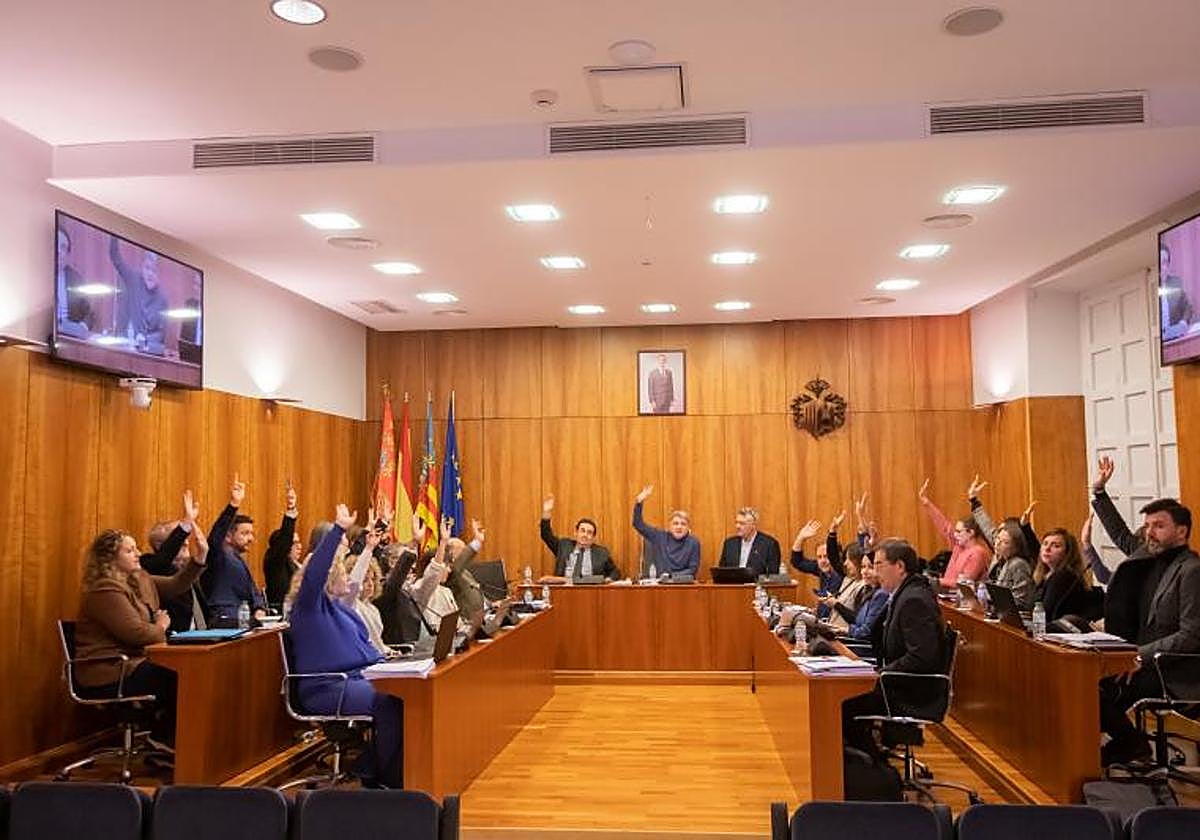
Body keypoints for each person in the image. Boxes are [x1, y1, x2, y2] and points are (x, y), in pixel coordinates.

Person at [286, 504, 401, 787]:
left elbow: (367, 650)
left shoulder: (344, 609)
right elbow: (314, 574)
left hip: (360, 679)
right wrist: (338, 529)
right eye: (340, 573)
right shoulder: (309, 608)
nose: (347, 579)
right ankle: (386, 778)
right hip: (328, 687)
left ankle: (372, 766)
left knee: (410, 691)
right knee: (392, 702)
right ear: (327, 579)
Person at [73, 512, 209, 746]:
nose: (138, 554)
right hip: (111, 669)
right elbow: (136, 634)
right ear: (109, 559)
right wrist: (161, 625)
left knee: (194, 671)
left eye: (136, 548)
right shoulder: (104, 590)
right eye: (129, 550)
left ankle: (173, 739)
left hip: (134, 663)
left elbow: (177, 585)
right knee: (181, 676)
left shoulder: (140, 579)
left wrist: (199, 558)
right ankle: (164, 739)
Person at [1099, 499, 1200, 765]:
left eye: (1159, 525)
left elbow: (1190, 637)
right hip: (1144, 661)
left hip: (1176, 671)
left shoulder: (1191, 570)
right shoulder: (1149, 561)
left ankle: (1131, 745)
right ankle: (1122, 744)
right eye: (1147, 526)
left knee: (1096, 689)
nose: (1150, 532)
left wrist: (1138, 656)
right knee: (1086, 681)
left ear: (1182, 531)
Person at [842, 540, 946, 757]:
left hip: (911, 692)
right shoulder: (904, 594)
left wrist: (881, 675)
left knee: (843, 702)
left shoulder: (913, 600)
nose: (874, 570)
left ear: (899, 566)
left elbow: (921, 657)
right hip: (900, 683)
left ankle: (874, 767)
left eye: (879, 565)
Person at [201, 473, 267, 624]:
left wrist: (259, 609)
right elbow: (216, 535)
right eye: (245, 533)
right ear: (228, 536)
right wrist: (233, 505)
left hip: (246, 620)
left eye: (251, 534)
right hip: (224, 620)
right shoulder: (218, 555)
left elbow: (254, 592)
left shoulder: (239, 559)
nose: (250, 539)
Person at [139, 490, 209, 632]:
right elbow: (164, 559)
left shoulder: (188, 570)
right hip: (173, 638)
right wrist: (186, 522)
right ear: (161, 546)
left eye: (186, 540)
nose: (187, 544)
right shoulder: (149, 565)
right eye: (181, 541)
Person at [919, 478, 991, 588]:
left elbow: (964, 584)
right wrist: (927, 503)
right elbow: (944, 526)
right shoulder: (959, 546)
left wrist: (936, 581)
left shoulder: (978, 553)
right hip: (947, 596)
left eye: (958, 531)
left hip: (962, 601)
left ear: (970, 533)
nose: (955, 534)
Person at [108, 234, 168, 354]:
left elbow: (161, 334)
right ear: (142, 268)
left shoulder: (162, 300)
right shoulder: (134, 278)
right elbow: (116, 258)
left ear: (160, 274)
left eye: (154, 270)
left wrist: (145, 340)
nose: (150, 274)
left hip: (144, 350)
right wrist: (113, 232)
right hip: (123, 343)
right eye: (147, 268)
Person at [540, 494, 620, 582]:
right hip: (564, 590)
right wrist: (546, 511)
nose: (585, 535)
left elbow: (615, 572)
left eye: (589, 532)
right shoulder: (563, 546)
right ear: (576, 533)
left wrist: (609, 579)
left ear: (593, 538)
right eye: (582, 530)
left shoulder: (602, 553)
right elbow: (546, 534)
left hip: (591, 592)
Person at [632, 484, 700, 578]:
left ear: (688, 527)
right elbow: (638, 524)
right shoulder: (659, 537)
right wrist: (639, 502)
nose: (679, 527)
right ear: (669, 526)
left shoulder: (693, 542)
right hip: (662, 585)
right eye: (675, 523)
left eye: (683, 524)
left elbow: (693, 569)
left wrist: (671, 577)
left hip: (683, 584)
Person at [1033, 528, 1099, 624]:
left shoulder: (1063, 576)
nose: (1047, 549)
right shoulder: (1046, 575)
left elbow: (1045, 615)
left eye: (1056, 546)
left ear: (1068, 553)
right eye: (1045, 543)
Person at [834, 553, 890, 643]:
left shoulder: (881, 595)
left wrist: (847, 630)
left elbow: (866, 632)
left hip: (864, 650)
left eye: (870, 567)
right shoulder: (868, 592)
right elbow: (858, 622)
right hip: (856, 644)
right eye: (863, 567)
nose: (864, 571)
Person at [263, 482, 302, 609]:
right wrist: (291, 511)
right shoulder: (276, 562)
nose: (299, 546)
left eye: (299, 542)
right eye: (294, 543)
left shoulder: (297, 565)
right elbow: (284, 542)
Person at [789, 517, 844, 605]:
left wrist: (833, 531)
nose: (822, 561)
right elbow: (797, 561)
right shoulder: (821, 568)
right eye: (819, 557)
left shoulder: (842, 572)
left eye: (826, 556)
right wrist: (801, 538)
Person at [717, 507, 782, 576]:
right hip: (734, 585)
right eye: (736, 522)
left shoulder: (769, 544)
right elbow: (721, 572)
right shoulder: (729, 544)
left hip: (757, 585)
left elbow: (772, 574)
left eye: (742, 523)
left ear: (753, 525)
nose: (737, 526)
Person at [986, 520, 1035, 611]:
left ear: (1016, 546)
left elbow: (1021, 602)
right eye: (998, 538)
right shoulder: (1004, 561)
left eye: (1005, 542)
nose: (998, 544)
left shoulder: (1019, 564)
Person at [55, 226, 93, 338]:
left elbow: (89, 313)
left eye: (63, 247)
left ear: (67, 254)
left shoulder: (76, 279)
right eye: (56, 245)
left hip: (70, 336)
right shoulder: (38, 275)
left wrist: (82, 327)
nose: (58, 251)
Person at [446, 518, 488, 621]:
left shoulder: (465, 572)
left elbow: (475, 591)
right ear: (451, 554)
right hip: (467, 621)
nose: (464, 554)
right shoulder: (451, 574)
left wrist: (491, 605)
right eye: (462, 550)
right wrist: (477, 542)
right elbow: (457, 566)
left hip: (483, 617)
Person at [1159, 244, 1196, 341]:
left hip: (1174, 336)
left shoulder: (1175, 283)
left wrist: (1183, 323)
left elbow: (1188, 307)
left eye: (1164, 263)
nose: (1161, 267)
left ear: (1168, 265)